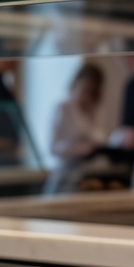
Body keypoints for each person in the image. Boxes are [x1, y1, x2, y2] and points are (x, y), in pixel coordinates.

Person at [46, 64, 107, 193]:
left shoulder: (95, 113)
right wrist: (79, 149)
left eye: (92, 92)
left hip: (89, 175)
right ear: (76, 84)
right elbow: (53, 147)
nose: (87, 96)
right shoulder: (64, 109)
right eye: (85, 89)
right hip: (67, 175)